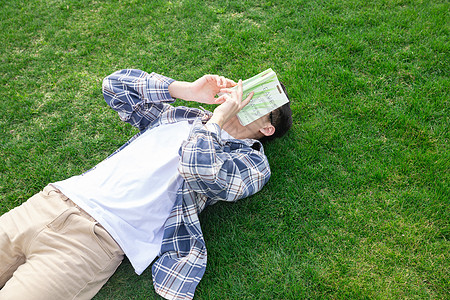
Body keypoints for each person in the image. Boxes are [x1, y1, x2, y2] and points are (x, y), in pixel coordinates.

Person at [0, 69, 292, 300]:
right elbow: (114, 87)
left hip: (91, 242)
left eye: (261, 99)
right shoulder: (177, 116)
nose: (246, 96)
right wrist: (185, 90)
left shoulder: (252, 163)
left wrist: (217, 120)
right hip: (47, 203)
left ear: (267, 128)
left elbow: (200, 169)